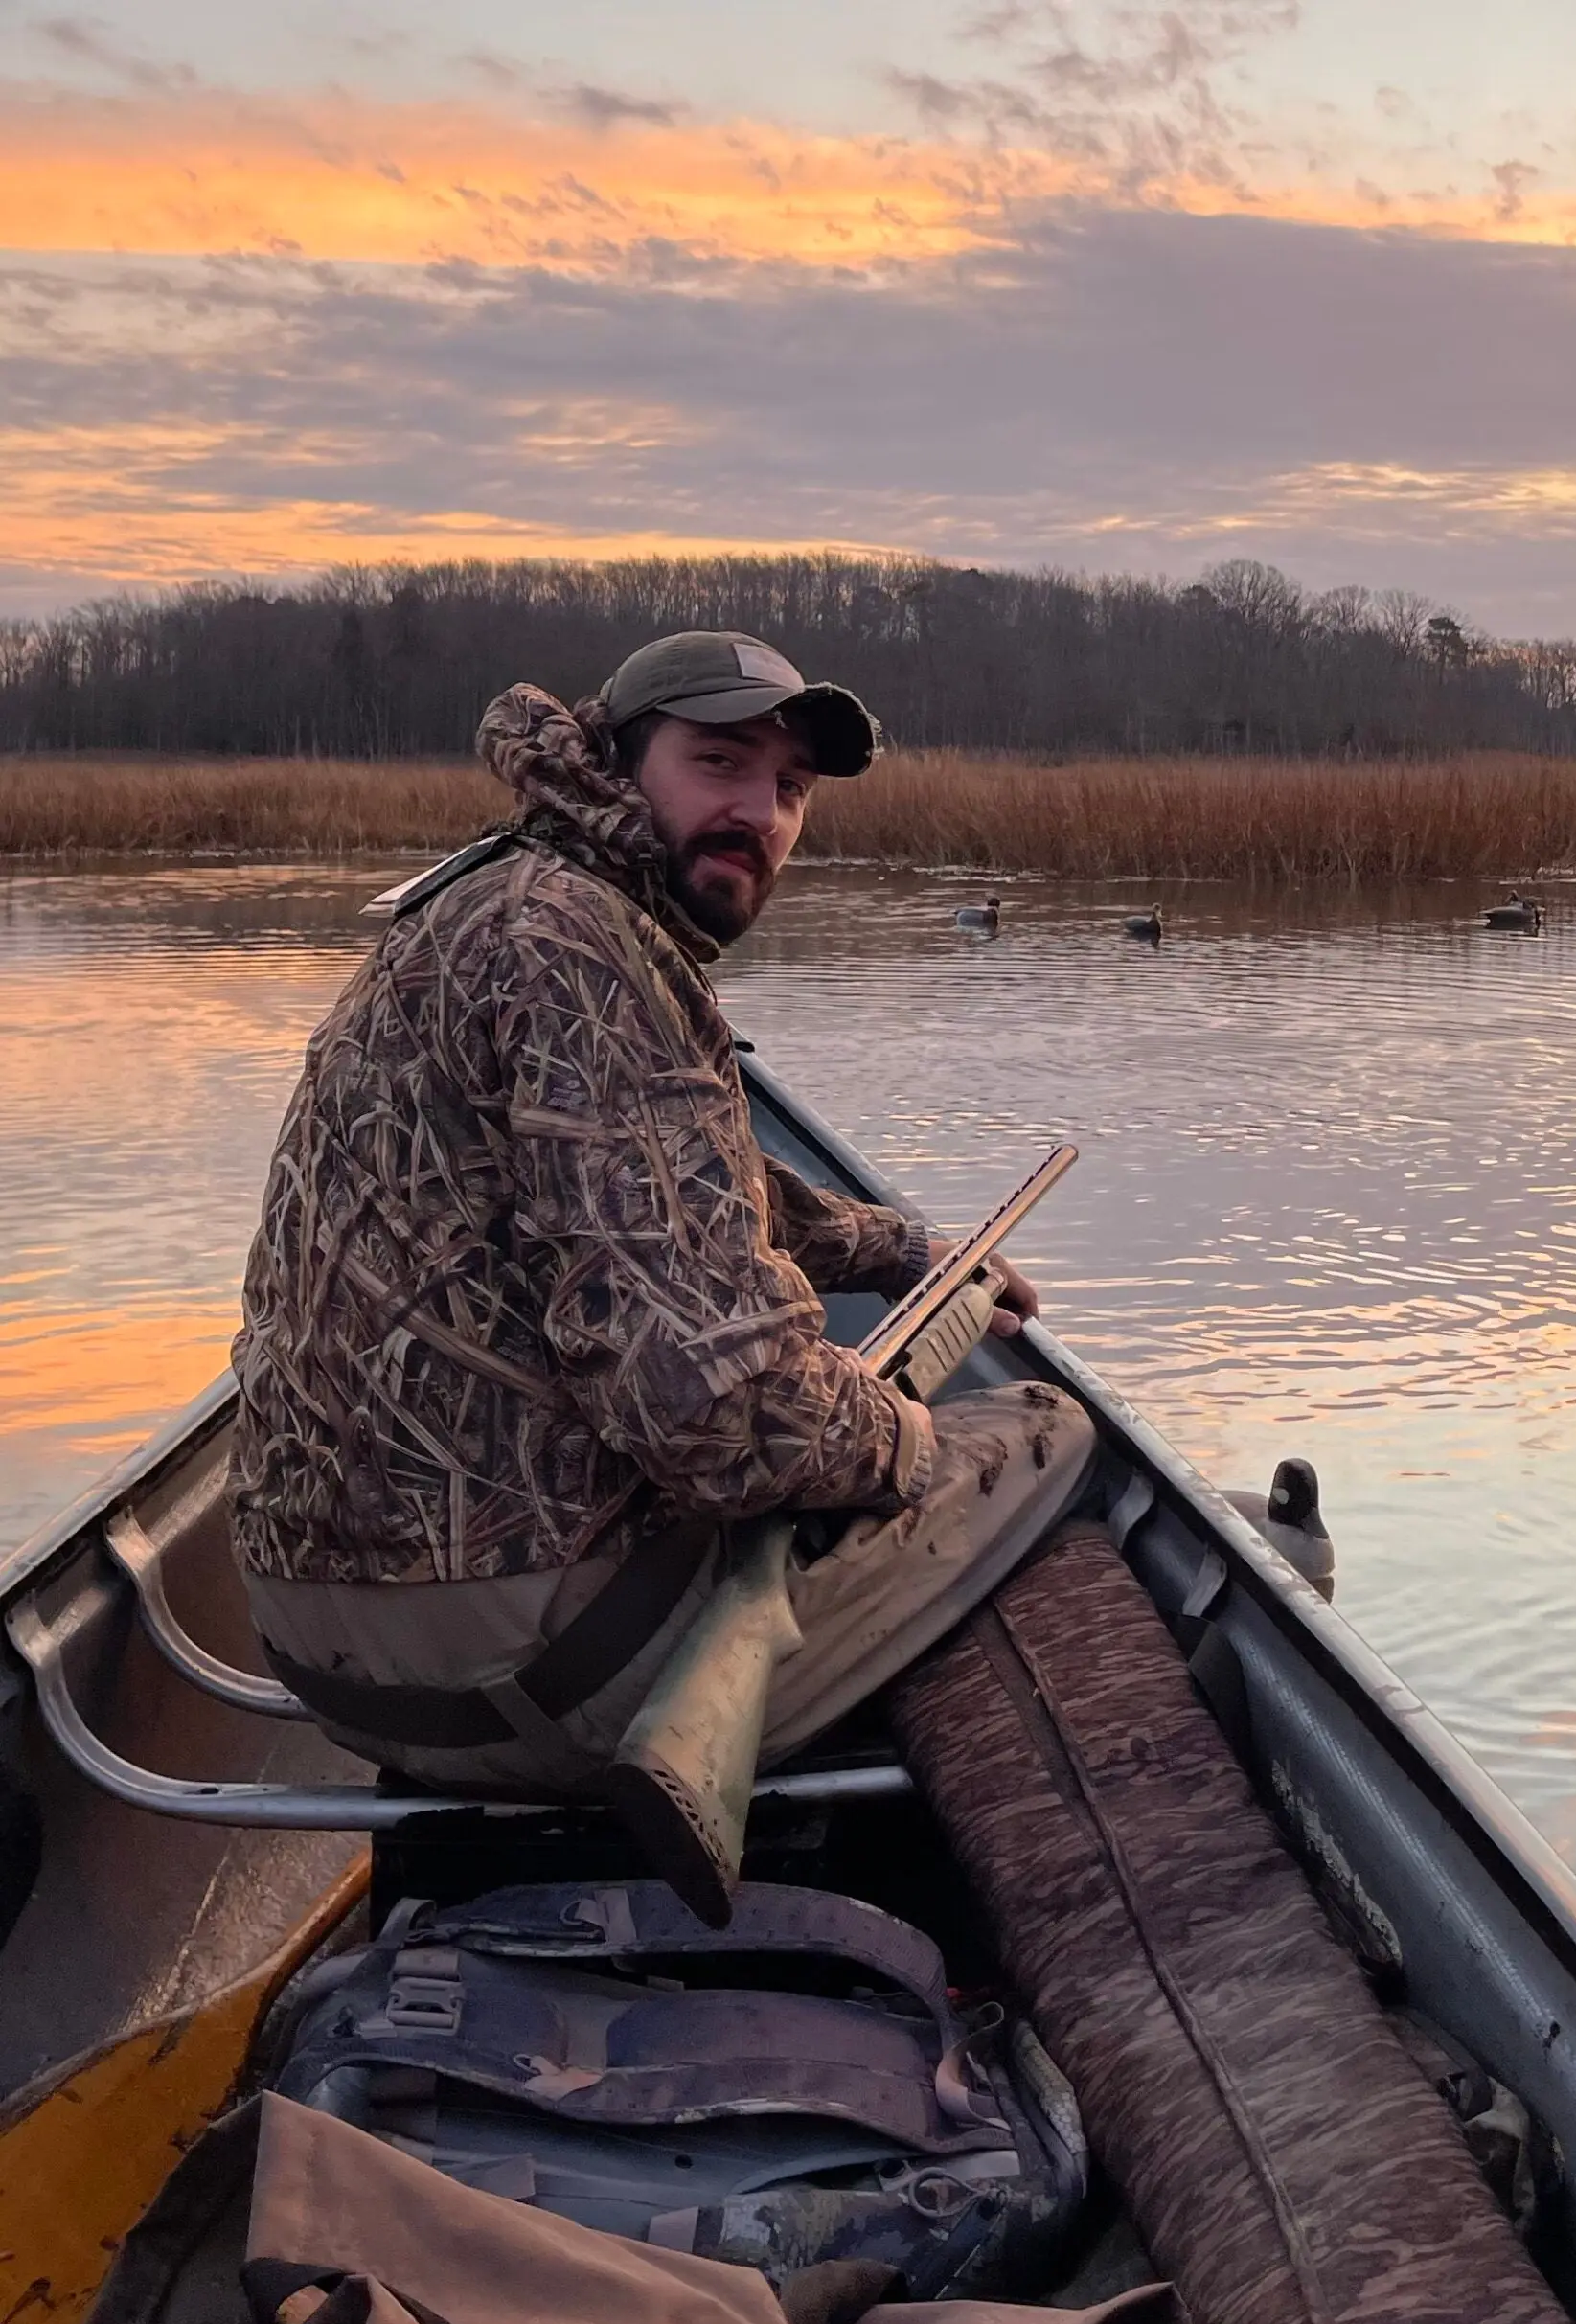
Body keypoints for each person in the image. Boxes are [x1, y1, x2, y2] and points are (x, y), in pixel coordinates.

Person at [225, 630, 1094, 1805]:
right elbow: (720, 1415)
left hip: (319, 1659)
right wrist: (899, 1433)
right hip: (530, 1679)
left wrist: (901, 1252)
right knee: (1042, 1425)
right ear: (621, 760)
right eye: (720, 763)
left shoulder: (485, 903)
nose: (762, 813)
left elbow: (669, 1180)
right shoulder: (593, 953)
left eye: (789, 789)